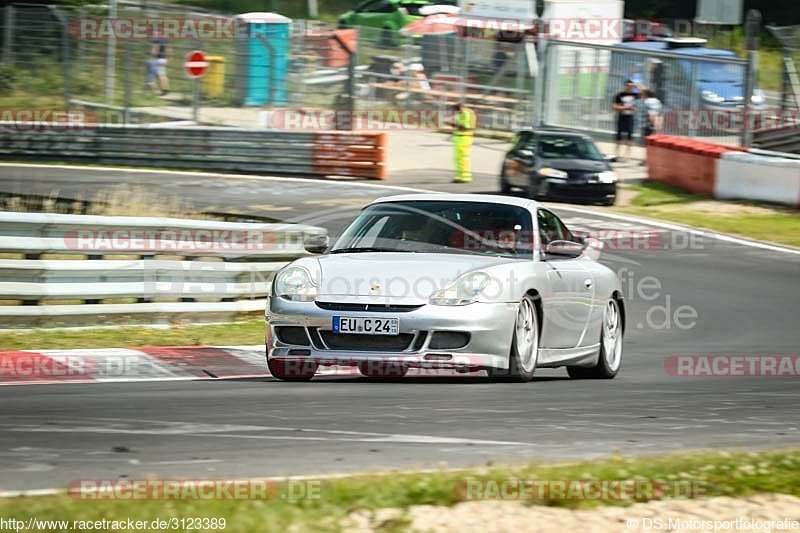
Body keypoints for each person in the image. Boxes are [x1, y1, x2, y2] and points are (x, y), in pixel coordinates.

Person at [612, 80, 639, 162]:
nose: (629, 87)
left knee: (630, 136)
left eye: (631, 86)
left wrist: (636, 85)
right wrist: (625, 108)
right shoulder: (619, 95)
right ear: (625, 86)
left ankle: (627, 156)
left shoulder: (634, 95)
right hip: (622, 116)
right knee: (619, 136)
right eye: (628, 85)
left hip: (630, 117)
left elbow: (645, 92)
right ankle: (617, 155)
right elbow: (614, 107)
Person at [451, 102, 477, 183]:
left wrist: (454, 125)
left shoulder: (465, 113)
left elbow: (464, 127)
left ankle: (465, 177)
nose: (456, 112)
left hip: (464, 138)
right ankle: (459, 176)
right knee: (457, 158)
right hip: (460, 138)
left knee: (463, 158)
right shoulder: (462, 113)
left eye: (456, 110)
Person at [641, 88, 663, 165]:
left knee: (648, 144)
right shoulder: (657, 101)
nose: (642, 95)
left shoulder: (647, 101)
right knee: (653, 144)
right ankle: (651, 159)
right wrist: (658, 125)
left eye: (643, 94)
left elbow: (651, 115)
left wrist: (653, 125)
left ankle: (648, 160)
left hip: (649, 125)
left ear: (646, 94)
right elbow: (659, 113)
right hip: (656, 124)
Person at [149, 31, 169, 95]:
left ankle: (155, 91)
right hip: (163, 59)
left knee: (157, 75)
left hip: (158, 59)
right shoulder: (164, 40)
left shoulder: (156, 40)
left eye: (154, 34)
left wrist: (152, 57)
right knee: (162, 74)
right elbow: (168, 49)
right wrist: (168, 58)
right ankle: (165, 89)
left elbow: (155, 49)